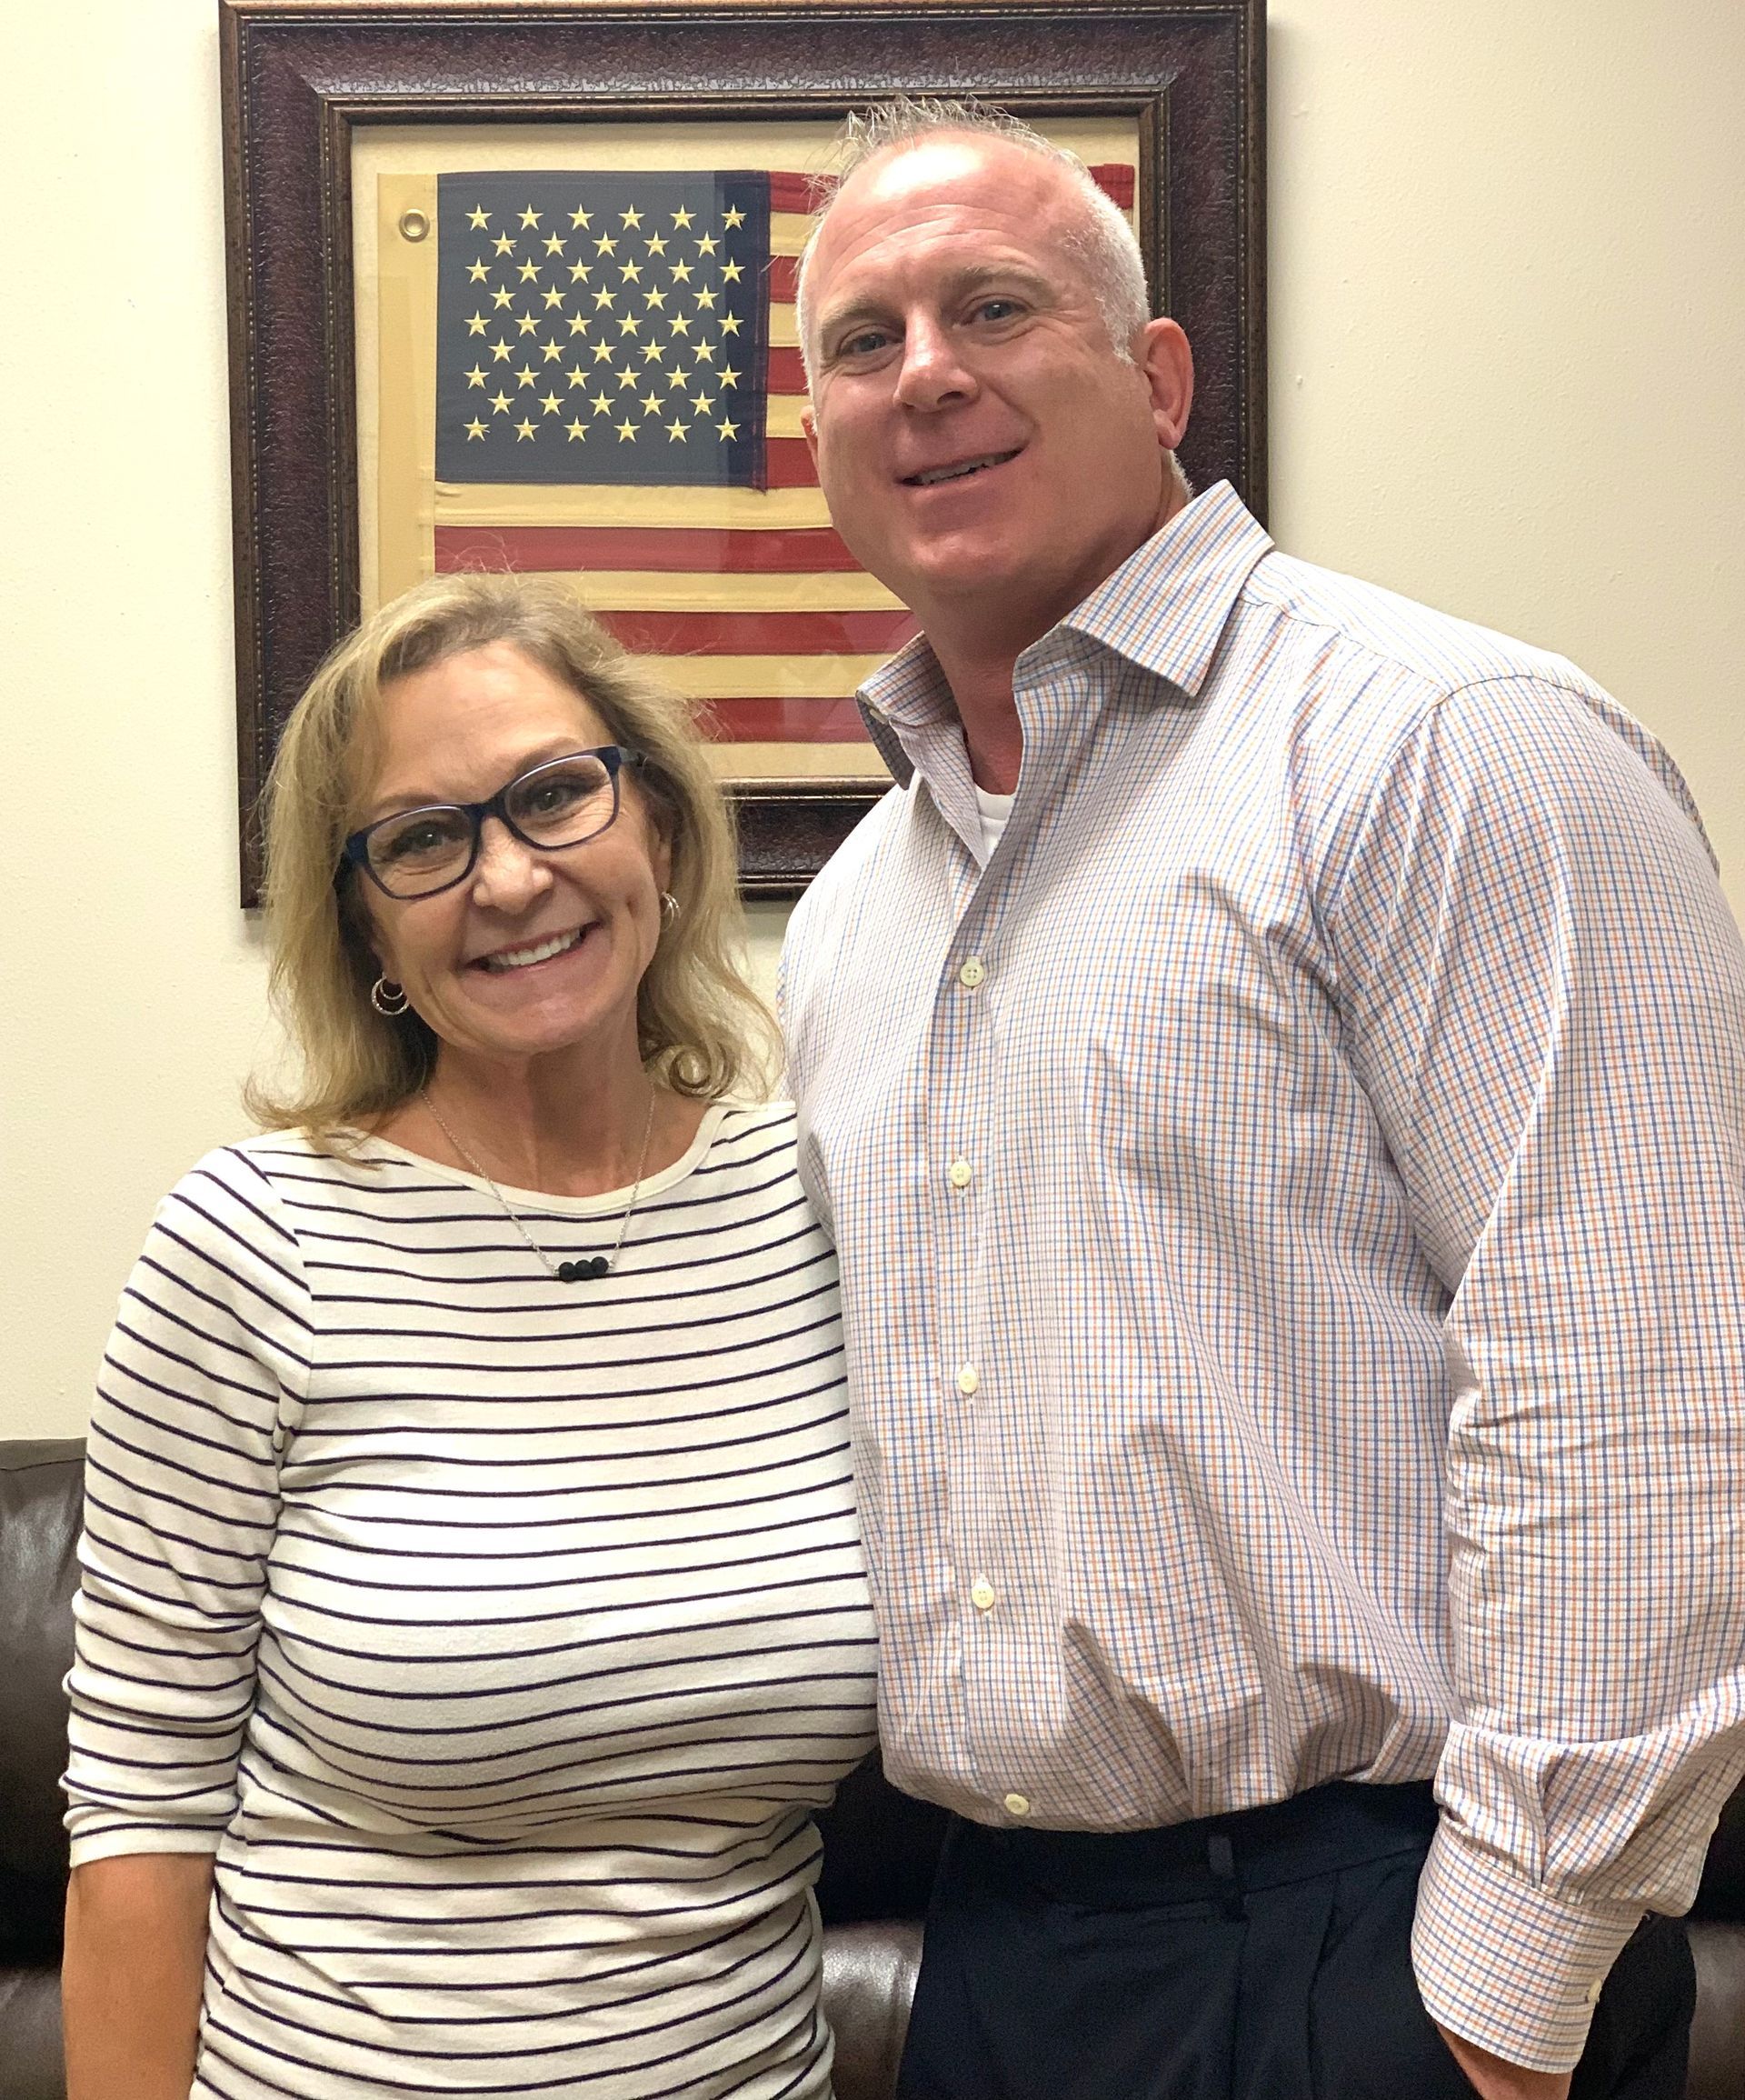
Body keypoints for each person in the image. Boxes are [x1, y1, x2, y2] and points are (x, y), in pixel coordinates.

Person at [778, 97, 1745, 2100]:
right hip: (1002, 1949)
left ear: (1157, 379)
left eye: (993, 307)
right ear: (823, 441)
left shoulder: (1443, 744)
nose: (926, 372)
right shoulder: (860, 914)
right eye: (862, 341)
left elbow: (1638, 1378)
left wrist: (1503, 1999)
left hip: (1374, 1955)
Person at [60, 573, 878, 2100]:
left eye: (556, 794)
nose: (507, 879)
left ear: (663, 830)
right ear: (363, 912)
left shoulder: (820, 1207)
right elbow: (136, 1827)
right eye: (425, 838)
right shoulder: (253, 1245)